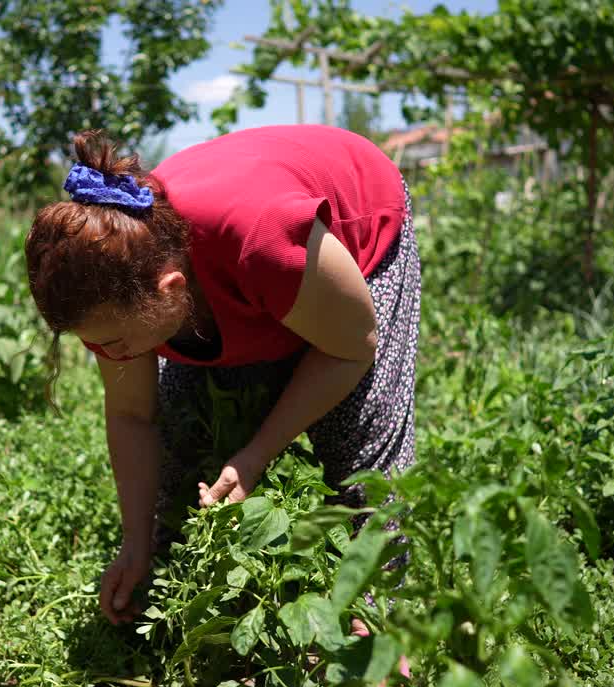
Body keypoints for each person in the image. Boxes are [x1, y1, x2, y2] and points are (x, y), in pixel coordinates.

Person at [24, 124, 420, 627]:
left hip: (358, 216)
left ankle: (381, 621)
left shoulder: (260, 239)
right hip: (249, 269)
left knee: (355, 441)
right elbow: (132, 414)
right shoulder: (112, 276)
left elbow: (352, 347)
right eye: (93, 342)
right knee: (185, 439)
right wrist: (135, 544)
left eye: (114, 343)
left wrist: (256, 454)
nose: (106, 354)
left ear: (170, 291)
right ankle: (175, 590)